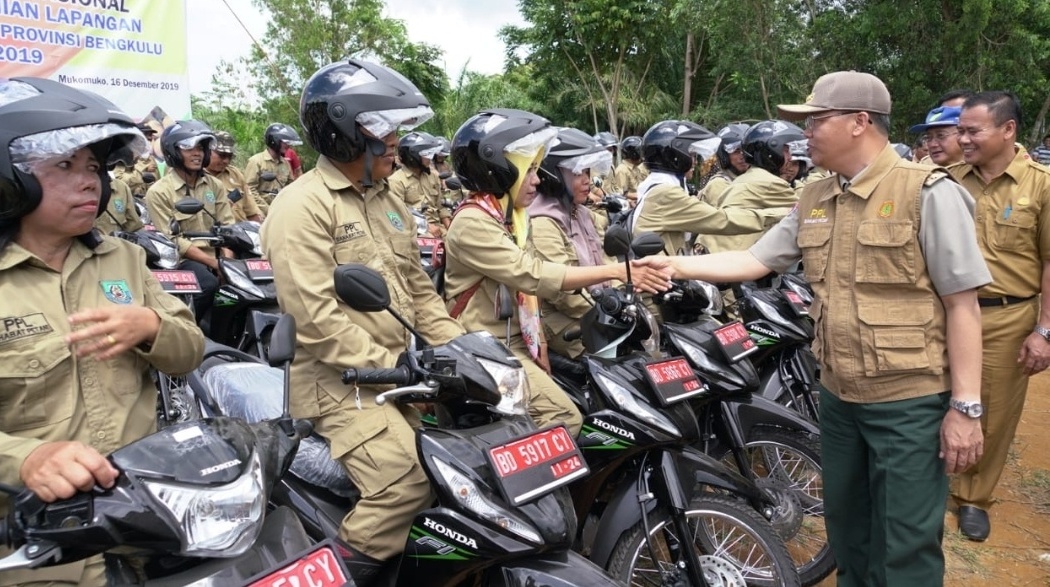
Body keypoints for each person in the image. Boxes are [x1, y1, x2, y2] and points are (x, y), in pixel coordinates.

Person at [639, 71, 990, 586]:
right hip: (839, 395)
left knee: (906, 541)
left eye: (817, 120)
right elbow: (756, 260)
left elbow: (963, 307)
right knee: (848, 529)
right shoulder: (815, 198)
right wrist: (676, 266)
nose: (805, 133)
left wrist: (966, 407)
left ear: (859, 122)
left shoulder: (927, 193)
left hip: (908, 400)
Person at [259, 59, 465, 585]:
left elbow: (419, 290)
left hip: (401, 372)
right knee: (407, 482)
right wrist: (401, 368)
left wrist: (465, 351)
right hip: (337, 382)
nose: (397, 141)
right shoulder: (299, 206)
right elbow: (316, 319)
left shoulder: (388, 196)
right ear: (349, 130)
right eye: (385, 129)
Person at [0, 77, 204, 587]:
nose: (89, 181)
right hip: (38, 545)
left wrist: (152, 325)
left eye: (94, 167)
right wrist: (27, 459)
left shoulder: (126, 259)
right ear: (9, 176)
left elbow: (189, 353)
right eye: (65, 165)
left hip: (141, 516)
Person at [443, 109, 671, 434]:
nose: (537, 179)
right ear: (500, 170)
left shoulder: (513, 218)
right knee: (563, 418)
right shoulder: (473, 222)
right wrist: (623, 272)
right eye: (529, 170)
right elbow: (534, 274)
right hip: (487, 344)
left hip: (519, 338)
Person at [946, 91, 1050, 542]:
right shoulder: (945, 181)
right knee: (933, 401)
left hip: (1008, 316)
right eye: (960, 130)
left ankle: (973, 497)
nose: (962, 139)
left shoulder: (1041, 186)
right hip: (945, 313)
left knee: (992, 412)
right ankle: (935, 484)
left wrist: (1044, 330)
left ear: (1008, 130)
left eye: (972, 131)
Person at [630, 120, 789, 256]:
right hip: (653, 283)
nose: (695, 162)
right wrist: (787, 213)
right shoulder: (665, 193)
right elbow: (723, 220)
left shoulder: (657, 186)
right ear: (674, 156)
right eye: (691, 156)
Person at [527, 127, 616, 358]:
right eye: (578, 173)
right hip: (564, 322)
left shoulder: (581, 213)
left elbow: (607, 263)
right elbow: (563, 293)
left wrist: (620, 298)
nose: (588, 180)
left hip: (599, 309)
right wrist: (609, 312)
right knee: (611, 360)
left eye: (587, 171)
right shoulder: (543, 222)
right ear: (554, 175)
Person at [145, 120, 234, 319]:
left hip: (218, 256)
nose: (197, 153)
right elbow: (172, 241)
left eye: (201, 147)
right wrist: (213, 263)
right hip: (183, 260)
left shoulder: (215, 185)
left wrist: (227, 262)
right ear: (173, 151)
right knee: (208, 285)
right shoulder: (159, 192)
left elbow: (228, 227)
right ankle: (190, 331)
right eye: (188, 148)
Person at [699, 120, 805, 254]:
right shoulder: (769, 182)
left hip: (717, 255)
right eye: (786, 151)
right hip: (731, 261)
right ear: (770, 152)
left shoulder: (752, 176)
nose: (791, 157)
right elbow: (805, 209)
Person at [387, 131, 447, 235]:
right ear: (412, 156)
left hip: (439, 228)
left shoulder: (432, 177)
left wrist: (449, 224)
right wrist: (425, 226)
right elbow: (396, 214)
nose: (430, 157)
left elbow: (440, 207)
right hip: (416, 231)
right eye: (426, 154)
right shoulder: (396, 181)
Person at [205, 130, 264, 223]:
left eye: (230, 156)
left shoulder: (235, 173)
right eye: (222, 155)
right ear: (207, 151)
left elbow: (251, 210)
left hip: (241, 231)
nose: (226, 161)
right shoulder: (197, 177)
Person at [244, 122, 301, 205]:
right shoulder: (256, 161)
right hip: (261, 211)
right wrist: (266, 210)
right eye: (284, 142)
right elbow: (249, 190)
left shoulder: (285, 163)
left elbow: (290, 187)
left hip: (280, 207)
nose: (287, 145)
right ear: (274, 140)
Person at [699, 123, 751, 204]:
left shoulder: (754, 178)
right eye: (736, 151)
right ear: (724, 156)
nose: (743, 156)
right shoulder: (719, 185)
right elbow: (729, 215)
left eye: (746, 150)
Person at [112, 122, 159, 196]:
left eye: (150, 135)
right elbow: (120, 181)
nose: (149, 138)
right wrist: (143, 171)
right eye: (146, 134)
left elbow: (156, 182)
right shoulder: (124, 157)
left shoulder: (151, 159)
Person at [612, 135, 647, 204]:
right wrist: (641, 196)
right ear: (634, 154)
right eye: (640, 152)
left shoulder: (636, 168)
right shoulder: (622, 170)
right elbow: (621, 193)